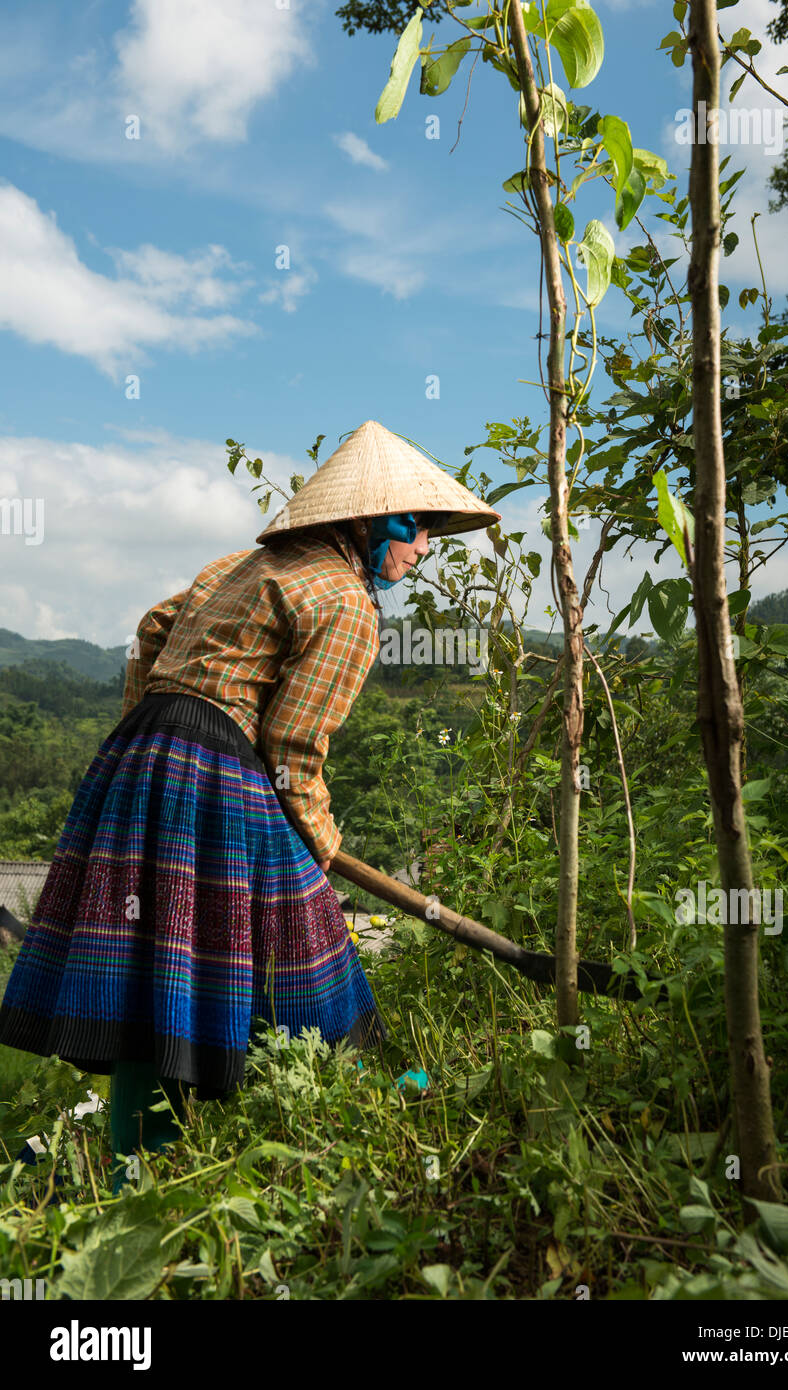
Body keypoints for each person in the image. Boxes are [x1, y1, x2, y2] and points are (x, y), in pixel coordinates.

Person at [0, 419, 500, 1195]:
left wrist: (155, 720)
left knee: (164, 950)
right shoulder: (346, 601)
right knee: (302, 920)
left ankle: (142, 1158)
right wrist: (322, 841)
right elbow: (296, 748)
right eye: (414, 526)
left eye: (430, 529)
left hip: (139, 754)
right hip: (211, 765)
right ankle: (367, 1097)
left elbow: (151, 628)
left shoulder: (243, 564)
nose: (424, 546)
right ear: (363, 522)